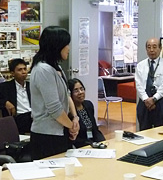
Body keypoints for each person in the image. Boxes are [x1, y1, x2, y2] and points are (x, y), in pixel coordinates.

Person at [29, 26, 79, 160]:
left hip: (61, 130)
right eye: (66, 44)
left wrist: (75, 118)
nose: (68, 48)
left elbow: (67, 95)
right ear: (57, 46)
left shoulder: (56, 67)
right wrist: (72, 127)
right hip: (46, 135)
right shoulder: (43, 70)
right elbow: (54, 108)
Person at [135, 37, 163, 130]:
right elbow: (138, 85)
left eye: (154, 47)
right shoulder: (140, 65)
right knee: (144, 131)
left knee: (161, 130)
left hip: (160, 101)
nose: (151, 50)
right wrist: (146, 99)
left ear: (160, 48)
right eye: (149, 47)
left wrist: (154, 99)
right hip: (144, 102)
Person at [68, 78, 105, 148]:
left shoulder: (88, 105)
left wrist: (101, 143)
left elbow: (95, 129)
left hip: (93, 142)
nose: (80, 92)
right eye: (76, 90)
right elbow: (73, 138)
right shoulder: (70, 112)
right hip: (80, 145)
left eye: (82, 89)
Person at [0, 58, 32, 134]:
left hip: (32, 116)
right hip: (17, 118)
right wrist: (5, 103)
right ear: (12, 73)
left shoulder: (31, 86)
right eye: (20, 70)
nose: (24, 72)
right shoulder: (5, 87)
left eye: (25, 69)